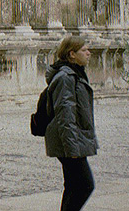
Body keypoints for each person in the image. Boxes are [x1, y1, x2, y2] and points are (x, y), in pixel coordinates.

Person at [45, 36, 97, 211]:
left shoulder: (75, 74)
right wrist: (72, 149)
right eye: (84, 50)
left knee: (73, 187)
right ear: (72, 54)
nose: (89, 53)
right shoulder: (66, 77)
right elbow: (65, 115)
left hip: (72, 140)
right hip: (68, 142)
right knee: (85, 185)